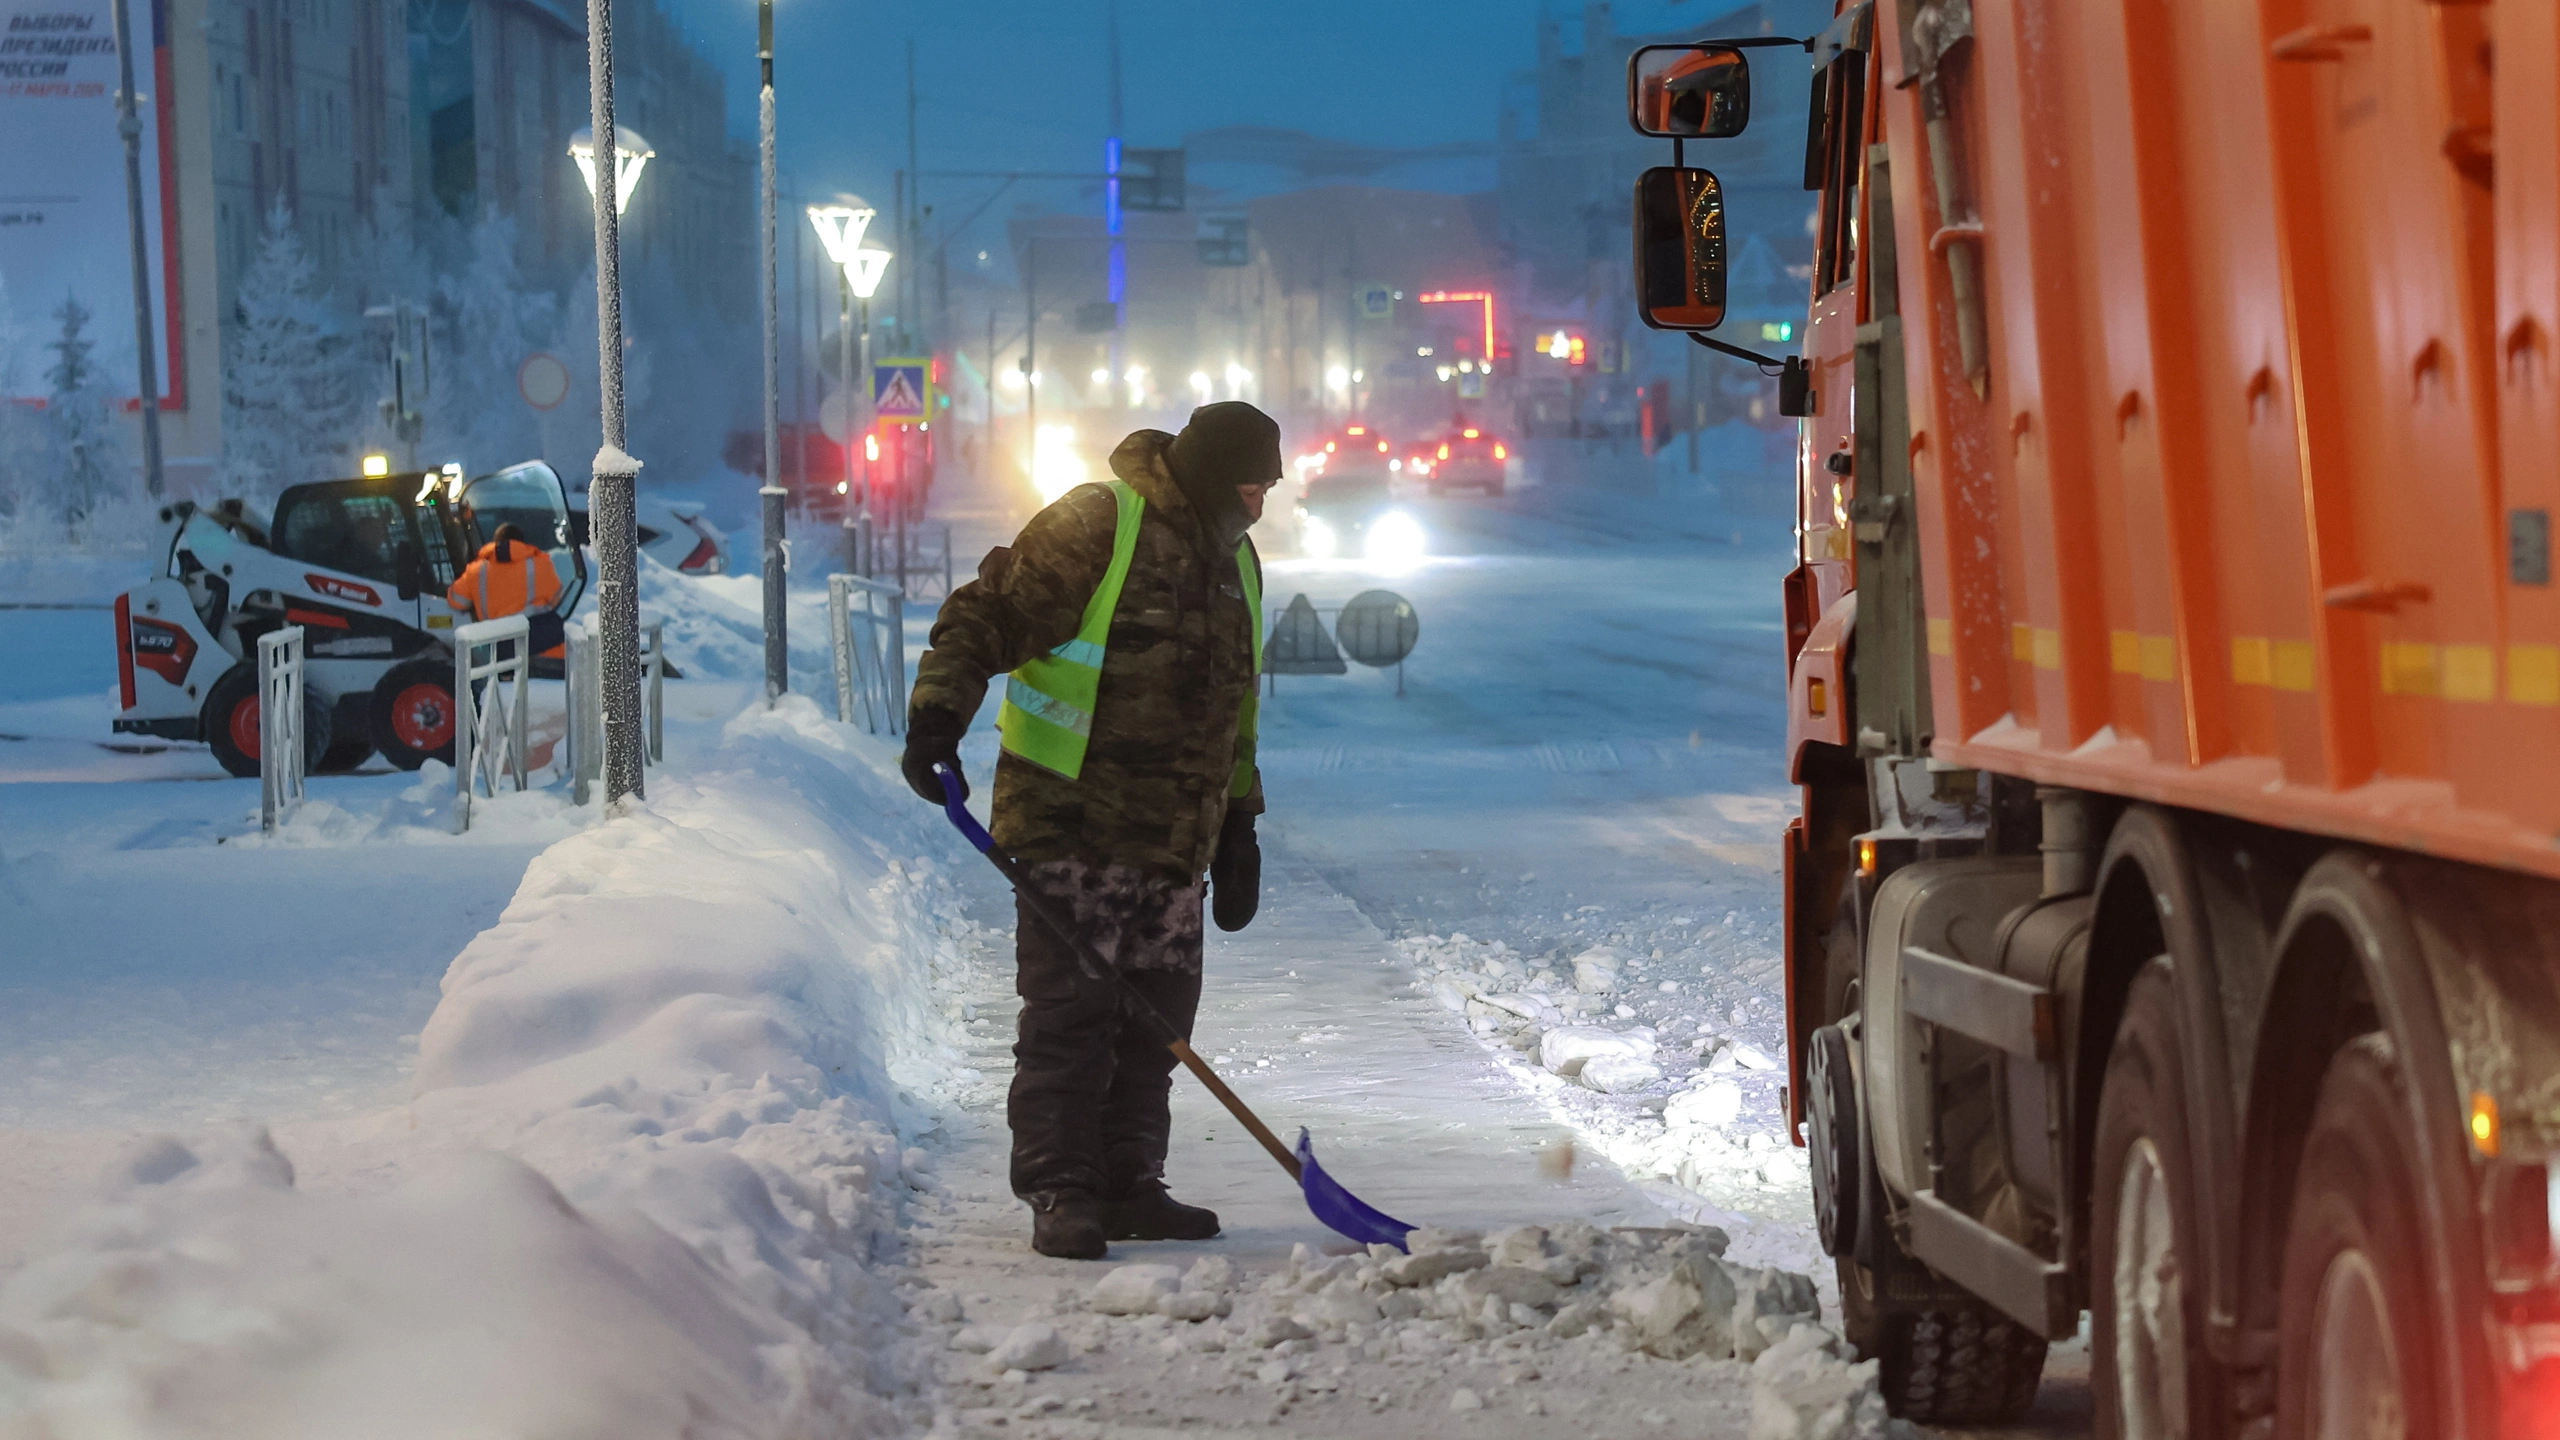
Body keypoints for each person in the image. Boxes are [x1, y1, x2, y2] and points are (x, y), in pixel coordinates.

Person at [901, 401, 1278, 1260]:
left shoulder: (1238, 563)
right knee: (1072, 1018)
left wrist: (1240, 824)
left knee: (1157, 1026)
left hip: (1177, 842)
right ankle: (1061, 1190)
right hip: (1073, 825)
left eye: (1268, 489)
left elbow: (1236, 709)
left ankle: (1130, 1183)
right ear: (1207, 474)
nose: (1258, 504)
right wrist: (937, 718)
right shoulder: (1097, 523)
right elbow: (983, 616)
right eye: (1249, 485)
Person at [447, 521, 566, 654]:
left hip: (501, 649)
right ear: (522, 543)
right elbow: (558, 600)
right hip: (544, 648)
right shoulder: (542, 564)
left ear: (496, 542)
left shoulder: (476, 570)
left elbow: (456, 601)